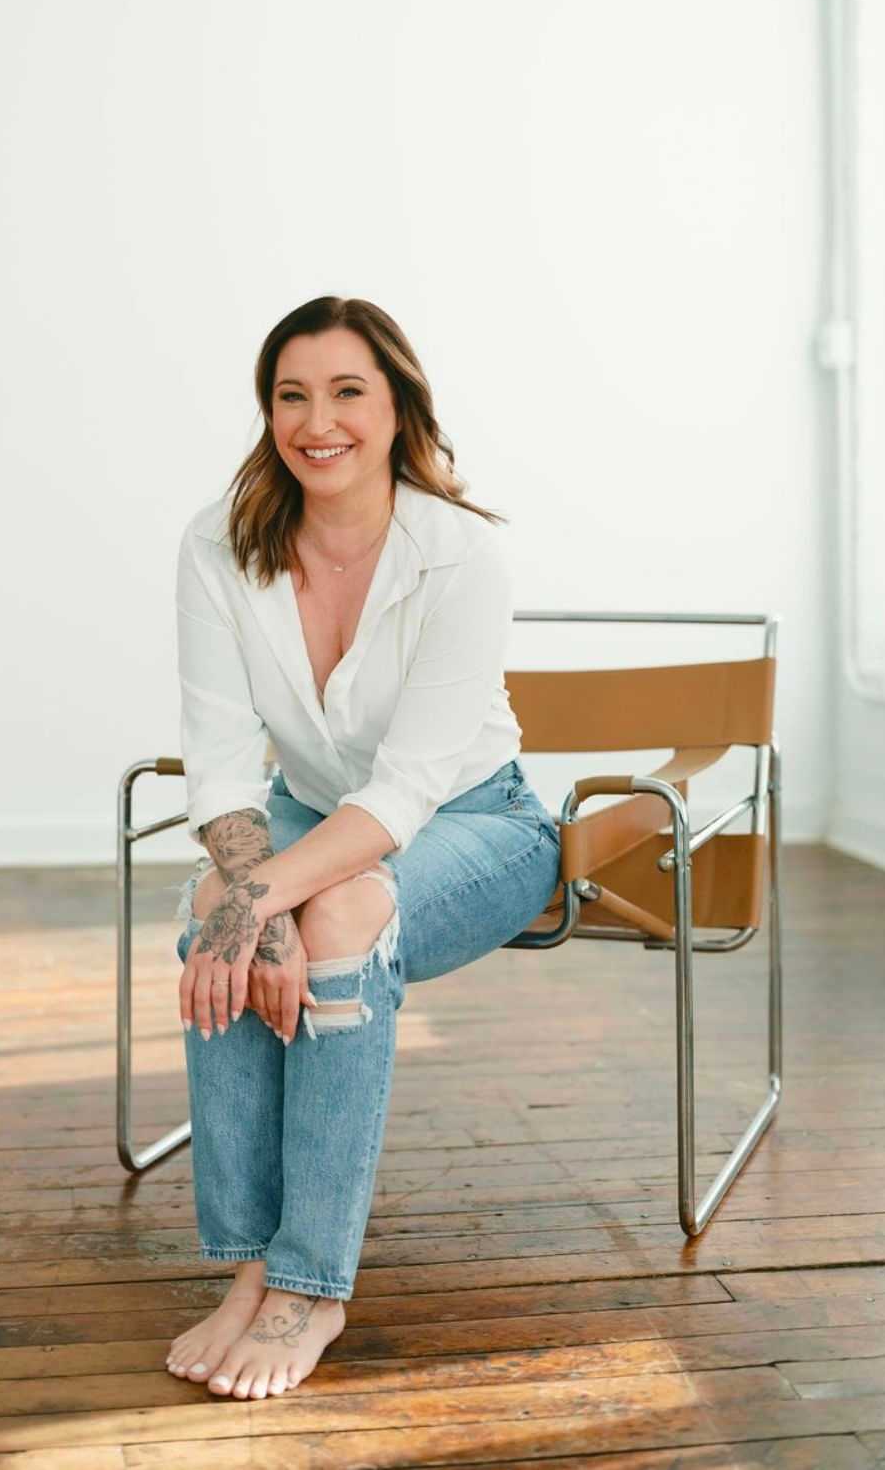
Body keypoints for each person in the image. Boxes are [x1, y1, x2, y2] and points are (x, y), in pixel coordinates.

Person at [165, 294, 561, 1401]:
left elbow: (403, 796)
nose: (316, 420)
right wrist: (251, 896)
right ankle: (249, 1264)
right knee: (219, 899)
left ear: (398, 408)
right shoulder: (218, 543)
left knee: (328, 910)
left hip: (476, 821)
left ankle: (311, 1283)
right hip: (301, 815)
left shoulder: (460, 556)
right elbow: (222, 761)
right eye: (291, 394)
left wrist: (274, 899)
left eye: (348, 391)